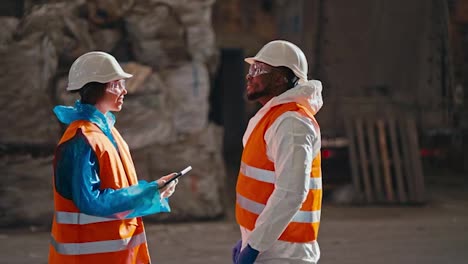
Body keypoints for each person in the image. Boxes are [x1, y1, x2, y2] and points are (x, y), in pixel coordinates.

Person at [49, 51, 178, 264]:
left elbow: (118, 189)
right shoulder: (81, 140)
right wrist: (147, 192)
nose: (124, 90)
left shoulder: (106, 132)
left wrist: (156, 192)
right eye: (117, 84)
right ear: (96, 87)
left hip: (113, 255)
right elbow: (91, 202)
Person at [232, 40, 324, 264]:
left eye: (258, 69)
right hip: (269, 246)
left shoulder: (291, 124)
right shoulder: (274, 117)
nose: (249, 76)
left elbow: (291, 193)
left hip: (284, 253)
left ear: (281, 78)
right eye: (251, 68)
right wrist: (247, 238)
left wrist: (254, 246)